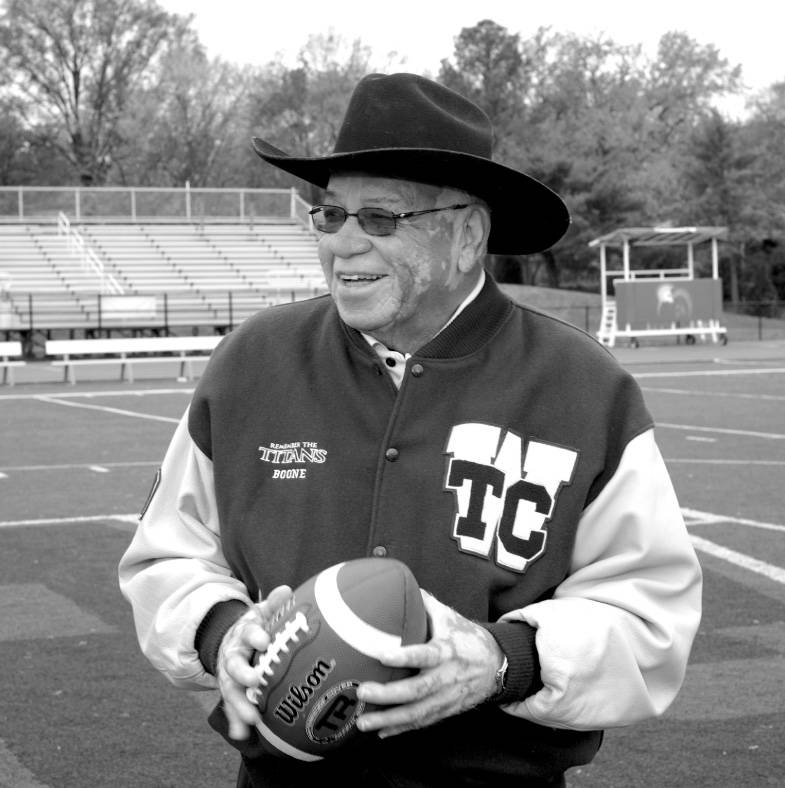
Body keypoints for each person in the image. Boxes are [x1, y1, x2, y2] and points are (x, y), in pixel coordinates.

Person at [118, 72, 702, 787]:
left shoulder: (583, 387)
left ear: (466, 236)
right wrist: (220, 632)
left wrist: (500, 662)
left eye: (381, 219)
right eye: (329, 215)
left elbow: (650, 614)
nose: (344, 245)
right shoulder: (251, 363)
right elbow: (166, 555)